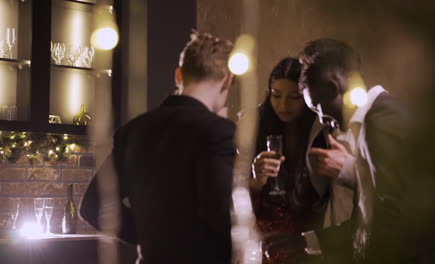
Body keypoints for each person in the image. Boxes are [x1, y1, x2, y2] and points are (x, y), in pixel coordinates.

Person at [80, 32, 236, 264]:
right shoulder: (217, 130)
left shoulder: (133, 130)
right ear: (227, 81)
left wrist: (146, 235)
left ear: (178, 75)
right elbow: (219, 214)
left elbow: (93, 206)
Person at [298, 38, 412, 263]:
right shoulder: (371, 123)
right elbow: (366, 224)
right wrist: (305, 242)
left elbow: (395, 221)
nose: (321, 120)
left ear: (333, 88)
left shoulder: (383, 122)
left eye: (316, 107)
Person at [246, 57, 328, 264]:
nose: (283, 105)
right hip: (265, 242)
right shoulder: (256, 129)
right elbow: (236, 202)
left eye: (294, 97)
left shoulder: (321, 132)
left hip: (307, 243)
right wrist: (256, 181)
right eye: (276, 95)